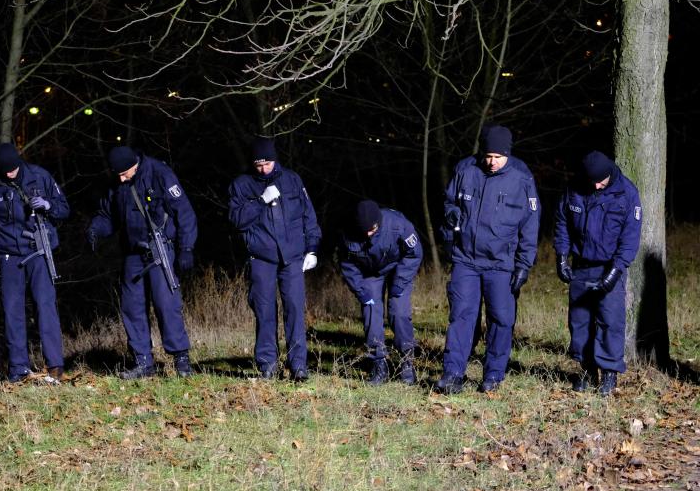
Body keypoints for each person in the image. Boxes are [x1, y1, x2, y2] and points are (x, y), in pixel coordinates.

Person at [437, 124, 540, 394]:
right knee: (461, 316)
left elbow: (531, 224)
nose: (492, 162)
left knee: (501, 319)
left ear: (507, 154)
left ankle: (493, 375)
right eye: (488, 156)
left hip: (501, 264)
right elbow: (449, 203)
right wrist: (450, 217)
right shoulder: (465, 170)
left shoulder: (522, 178)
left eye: (498, 157)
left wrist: (524, 264)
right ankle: (453, 374)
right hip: (466, 260)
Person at [87, 146, 197, 379]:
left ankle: (181, 360)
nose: (121, 178)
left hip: (159, 249)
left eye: (125, 173)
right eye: (117, 174)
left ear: (135, 165)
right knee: (132, 306)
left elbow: (184, 211)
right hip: (132, 252)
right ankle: (143, 361)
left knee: (166, 304)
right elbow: (108, 215)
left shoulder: (159, 174)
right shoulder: (118, 183)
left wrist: (186, 247)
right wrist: (95, 229)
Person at [0, 143, 70, 383]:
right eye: (5, 170)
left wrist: (47, 206)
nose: (10, 173)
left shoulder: (40, 176)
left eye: (13, 169)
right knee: (12, 312)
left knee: (45, 307)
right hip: (9, 256)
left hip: (37, 252)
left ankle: (55, 366)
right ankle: (18, 368)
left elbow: (63, 209)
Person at [228, 137, 322, 381]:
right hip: (262, 258)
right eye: (258, 165)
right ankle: (267, 364)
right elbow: (236, 220)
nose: (263, 169)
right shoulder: (242, 185)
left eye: (267, 164)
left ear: (274, 160)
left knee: (294, 310)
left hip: (292, 257)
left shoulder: (292, 180)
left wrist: (312, 248)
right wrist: (260, 201)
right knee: (265, 310)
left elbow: (308, 215)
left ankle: (298, 365)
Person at [553, 150, 641, 396]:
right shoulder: (575, 188)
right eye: (592, 181)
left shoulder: (626, 193)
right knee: (580, 321)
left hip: (609, 265)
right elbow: (562, 222)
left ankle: (609, 375)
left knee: (609, 321)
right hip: (581, 265)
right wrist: (561, 257)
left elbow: (630, 237)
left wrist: (615, 271)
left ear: (609, 174)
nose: (596, 185)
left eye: (600, 181)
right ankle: (586, 371)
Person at [340, 200, 423, 385]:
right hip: (370, 272)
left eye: (373, 229)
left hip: (398, 267)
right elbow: (347, 264)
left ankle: (406, 362)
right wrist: (361, 291)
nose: (369, 233)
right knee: (371, 310)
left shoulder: (398, 224)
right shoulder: (348, 232)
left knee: (399, 312)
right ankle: (378, 363)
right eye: (365, 230)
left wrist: (400, 283)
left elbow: (414, 254)